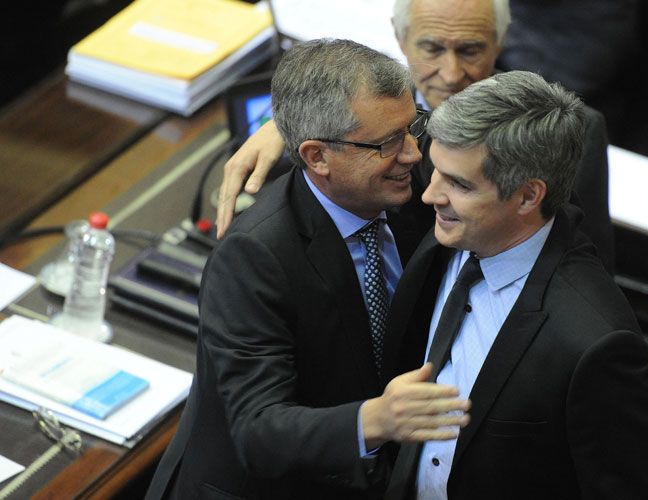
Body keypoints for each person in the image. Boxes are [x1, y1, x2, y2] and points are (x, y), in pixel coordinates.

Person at [146, 39, 473, 500]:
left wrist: (281, 125)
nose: (414, 155)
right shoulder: (255, 257)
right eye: (388, 143)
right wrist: (377, 419)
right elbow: (259, 429)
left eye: (412, 127)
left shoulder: (403, 176)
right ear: (317, 156)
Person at [382, 71, 648, 500]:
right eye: (435, 171)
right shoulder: (458, 228)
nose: (429, 195)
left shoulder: (595, 343)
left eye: (459, 185)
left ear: (526, 197)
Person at [216, 0, 615, 273]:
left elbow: (586, 260)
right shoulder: (338, 123)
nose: (453, 73)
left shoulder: (570, 129)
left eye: (471, 50)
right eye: (432, 48)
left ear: (501, 41)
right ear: (400, 38)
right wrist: (292, 126)